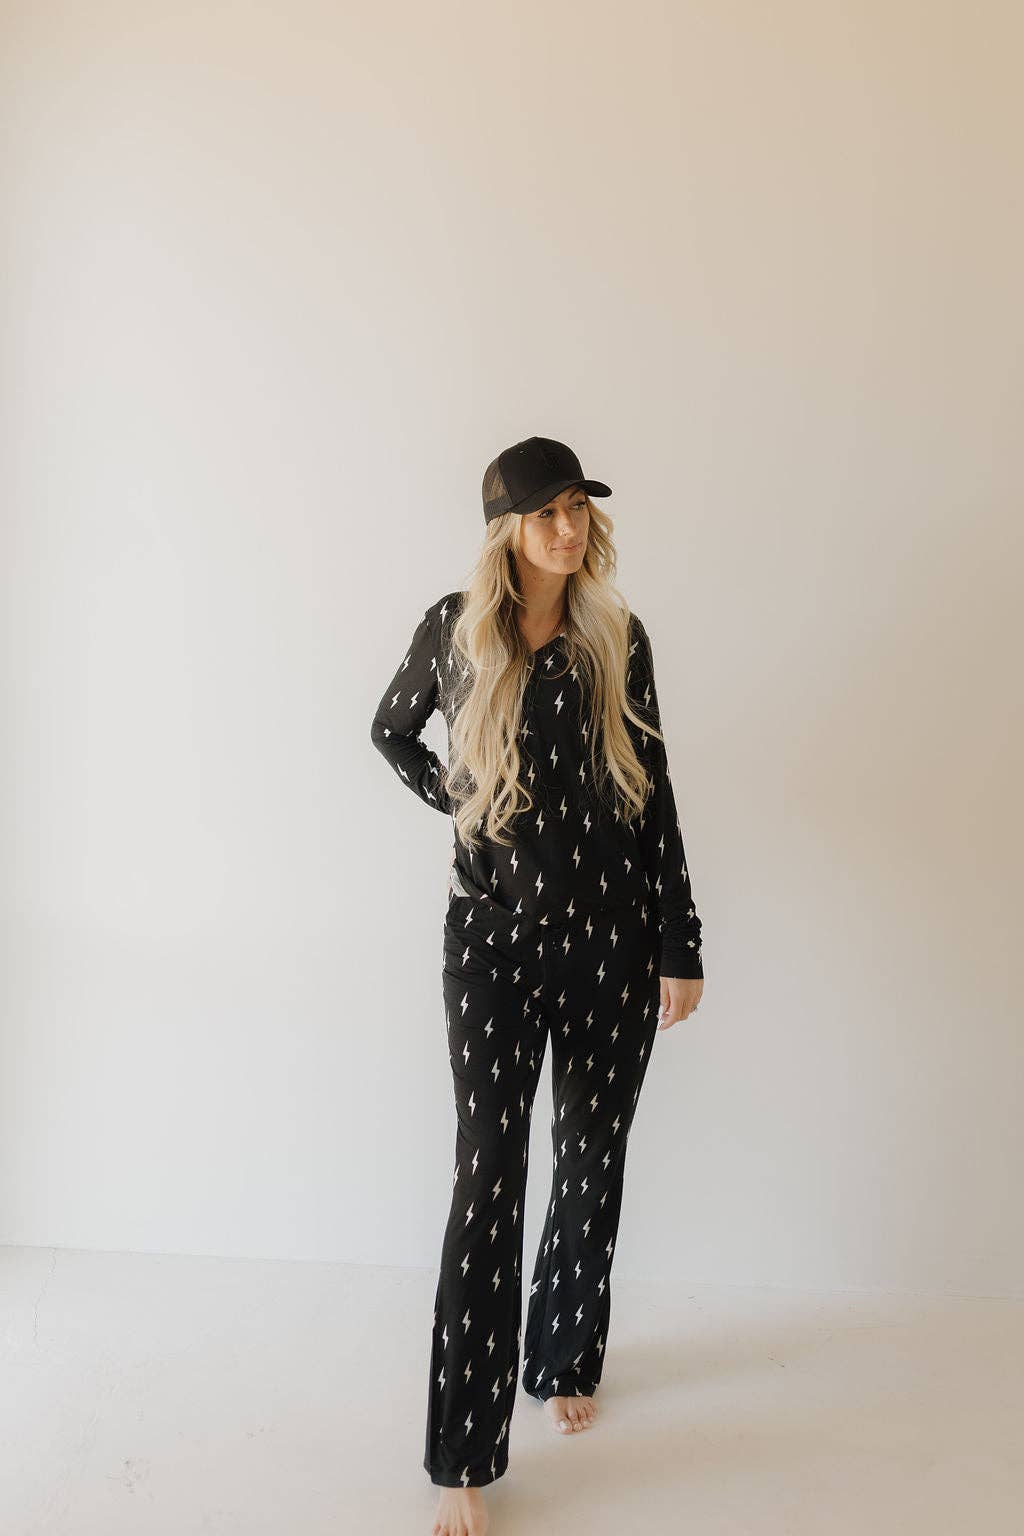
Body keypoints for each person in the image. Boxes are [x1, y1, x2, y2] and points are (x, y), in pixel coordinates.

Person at [370, 435, 705, 1536]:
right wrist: (464, 800)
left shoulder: (617, 637)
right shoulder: (455, 631)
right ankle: (463, 1457)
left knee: (592, 1157)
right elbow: (389, 730)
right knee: (489, 1176)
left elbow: (652, 792)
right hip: (492, 946)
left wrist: (679, 940)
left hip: (612, 943)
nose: (569, 527)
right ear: (507, 529)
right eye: (548, 511)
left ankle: (562, 1355)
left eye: (578, 508)